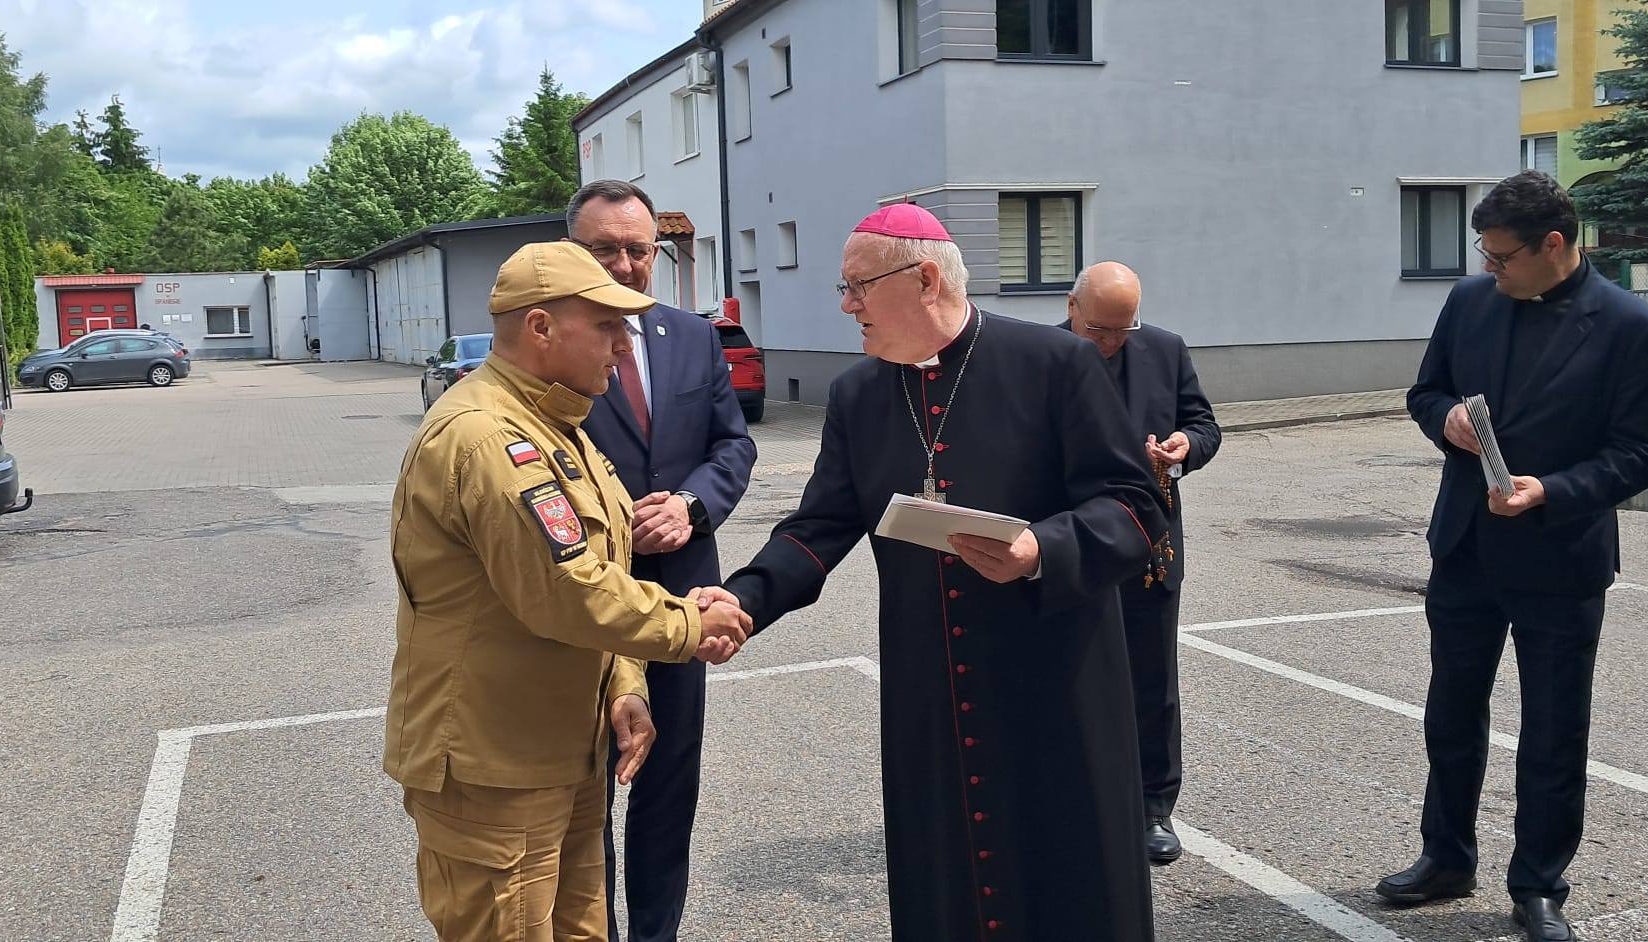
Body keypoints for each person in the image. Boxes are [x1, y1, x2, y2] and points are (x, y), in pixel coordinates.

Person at [712, 204, 1167, 941]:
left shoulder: (1056, 366)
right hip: (934, 687)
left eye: (858, 285)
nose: (847, 304)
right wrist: (741, 600)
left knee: (1069, 881)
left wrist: (1040, 549)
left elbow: (1136, 508)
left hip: (1055, 681)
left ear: (924, 278)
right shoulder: (861, 395)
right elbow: (820, 525)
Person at [384, 240, 750, 942]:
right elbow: (564, 591)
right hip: (498, 769)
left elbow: (601, 568)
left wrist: (624, 684)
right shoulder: (488, 437)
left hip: (561, 755)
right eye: (607, 325)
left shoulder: (560, 427)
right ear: (541, 328)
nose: (622, 343)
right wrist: (688, 623)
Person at [1391, 171, 1648, 942]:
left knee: (1554, 727)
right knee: (1451, 713)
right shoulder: (1468, 302)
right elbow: (1425, 391)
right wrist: (1443, 416)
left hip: (1560, 555)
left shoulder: (1631, 327)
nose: (1490, 269)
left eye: (1501, 257)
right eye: (1483, 255)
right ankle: (1445, 856)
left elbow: (1645, 452)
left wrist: (1549, 489)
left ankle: (1540, 885)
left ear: (1555, 245)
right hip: (1466, 546)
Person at [566, 180, 757, 942]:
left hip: (681, 593)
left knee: (669, 777)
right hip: (583, 597)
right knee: (587, 784)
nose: (623, 263)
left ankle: (653, 932)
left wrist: (691, 505)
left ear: (657, 255)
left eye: (636, 249)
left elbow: (733, 443)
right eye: (602, 248)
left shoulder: (693, 335)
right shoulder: (553, 342)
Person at [1060, 261, 1221, 865]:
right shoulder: (1042, 355)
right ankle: (1077, 796)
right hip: (1071, 538)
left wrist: (1186, 448)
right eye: (1099, 329)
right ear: (1072, 307)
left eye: (1122, 331)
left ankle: (1155, 807)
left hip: (1150, 545)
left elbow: (1203, 424)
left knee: (1152, 680)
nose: (1109, 343)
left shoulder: (1164, 350)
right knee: (1068, 674)